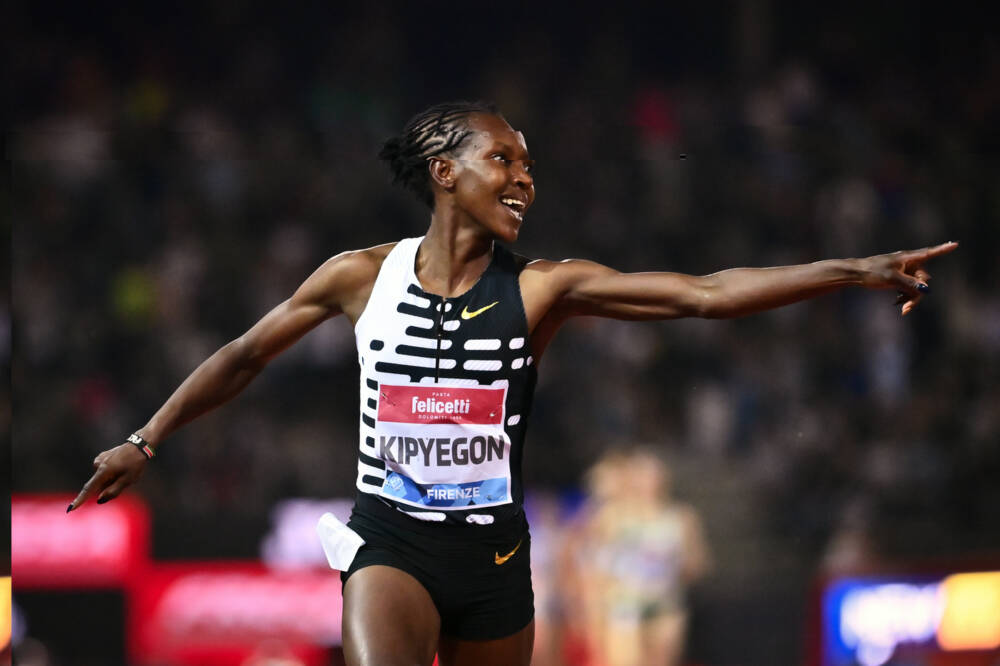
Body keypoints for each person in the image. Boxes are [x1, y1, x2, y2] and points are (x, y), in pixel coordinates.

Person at [69, 100, 957, 666]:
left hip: (494, 560)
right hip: (391, 542)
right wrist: (147, 438)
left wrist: (855, 270)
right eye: (503, 160)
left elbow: (704, 294)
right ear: (444, 172)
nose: (524, 180)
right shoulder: (359, 277)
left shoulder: (541, 289)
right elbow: (242, 355)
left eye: (529, 167)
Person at [564, 448, 710, 666]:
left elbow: (698, 561)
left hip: (665, 604)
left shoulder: (681, 517)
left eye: (654, 475)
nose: (649, 482)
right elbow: (578, 546)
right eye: (643, 475)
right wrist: (588, 592)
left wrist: (678, 568)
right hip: (624, 604)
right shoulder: (613, 514)